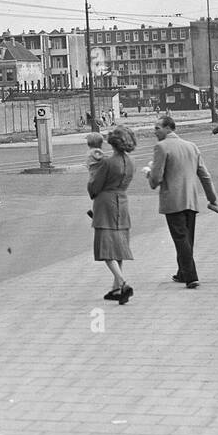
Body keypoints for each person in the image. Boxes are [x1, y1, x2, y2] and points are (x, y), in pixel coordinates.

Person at [146, 114, 218, 288]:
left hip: (172, 200)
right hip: (191, 200)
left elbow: (156, 178)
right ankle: (182, 271)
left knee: (180, 238)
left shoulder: (161, 147)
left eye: (157, 128)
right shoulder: (191, 146)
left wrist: (149, 174)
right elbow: (204, 175)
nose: (154, 131)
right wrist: (212, 198)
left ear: (168, 128)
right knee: (187, 238)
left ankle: (191, 276)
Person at [88, 126, 136, 303]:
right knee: (119, 246)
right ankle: (116, 288)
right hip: (122, 202)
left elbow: (95, 185)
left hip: (105, 203)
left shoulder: (107, 163)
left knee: (106, 246)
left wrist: (91, 187)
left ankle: (123, 283)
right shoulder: (131, 162)